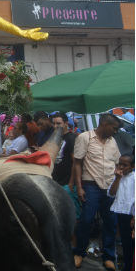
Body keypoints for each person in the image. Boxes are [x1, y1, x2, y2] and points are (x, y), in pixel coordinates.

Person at [73, 113, 122, 270]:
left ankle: (108, 256)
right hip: (91, 186)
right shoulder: (85, 138)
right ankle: (79, 252)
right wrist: (79, 187)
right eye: (114, 128)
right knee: (86, 220)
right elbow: (77, 163)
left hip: (109, 187)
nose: (116, 132)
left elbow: (117, 163)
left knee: (110, 222)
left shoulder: (112, 141)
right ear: (104, 124)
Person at [50, 112, 81, 218]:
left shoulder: (71, 138)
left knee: (70, 214)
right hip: (56, 181)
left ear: (66, 123)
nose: (55, 126)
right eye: (53, 124)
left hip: (67, 183)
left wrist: (72, 183)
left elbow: (75, 162)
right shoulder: (55, 138)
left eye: (58, 123)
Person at [107, 154, 134, 271]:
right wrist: (117, 178)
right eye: (120, 164)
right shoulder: (118, 177)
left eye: (125, 165)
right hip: (122, 214)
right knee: (126, 242)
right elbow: (111, 193)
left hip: (132, 215)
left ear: (133, 166)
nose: (121, 167)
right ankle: (128, 266)